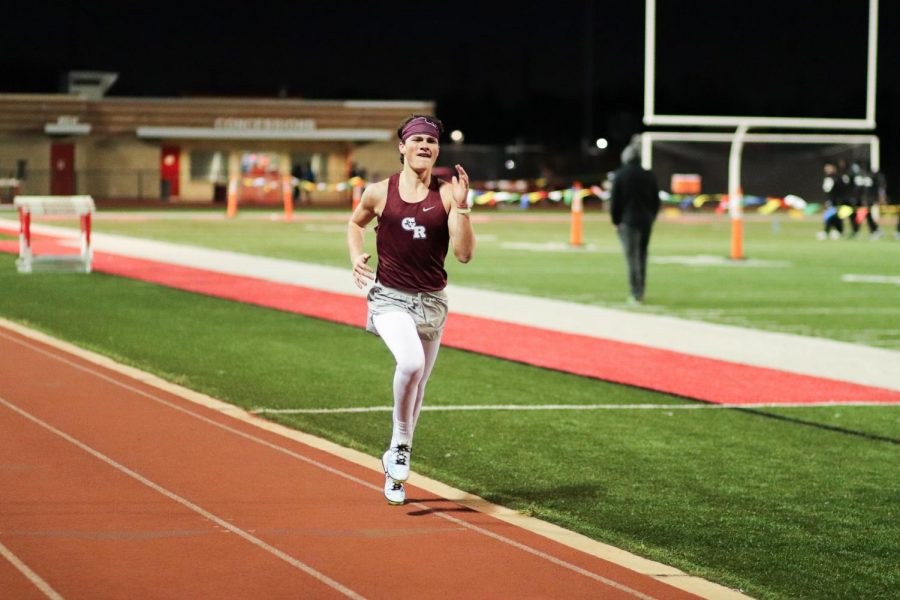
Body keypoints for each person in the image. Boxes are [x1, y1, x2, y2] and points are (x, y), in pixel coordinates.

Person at [347, 114, 475, 505]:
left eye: (431, 141)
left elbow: (464, 254)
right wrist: (356, 257)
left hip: (433, 302)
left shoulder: (449, 194)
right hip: (389, 297)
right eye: (416, 139)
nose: (424, 146)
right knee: (411, 364)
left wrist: (465, 208)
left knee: (418, 388)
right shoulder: (378, 192)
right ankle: (401, 444)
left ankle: (395, 470)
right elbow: (355, 224)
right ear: (401, 146)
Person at [609, 143, 660, 304]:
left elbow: (615, 201)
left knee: (632, 258)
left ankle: (636, 293)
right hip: (646, 221)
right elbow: (656, 201)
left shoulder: (620, 175)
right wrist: (651, 217)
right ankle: (641, 290)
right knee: (642, 256)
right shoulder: (649, 175)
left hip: (628, 222)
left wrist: (615, 220)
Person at [819, 162, 844, 240]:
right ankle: (836, 231)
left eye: (828, 168)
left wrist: (834, 200)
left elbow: (838, 191)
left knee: (831, 216)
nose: (826, 169)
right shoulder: (828, 178)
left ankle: (829, 231)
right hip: (830, 200)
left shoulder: (837, 178)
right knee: (833, 216)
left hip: (835, 201)